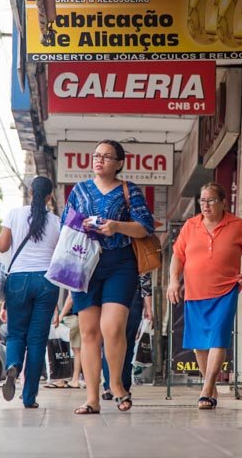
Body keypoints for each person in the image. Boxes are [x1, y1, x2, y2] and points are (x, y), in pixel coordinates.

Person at [63, 139, 155, 415]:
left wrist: (116, 226)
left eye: (106, 156)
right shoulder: (79, 190)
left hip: (120, 263)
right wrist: (85, 224)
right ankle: (91, 398)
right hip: (84, 263)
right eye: (96, 155)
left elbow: (145, 227)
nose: (99, 160)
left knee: (113, 328)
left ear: (119, 162)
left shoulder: (129, 190)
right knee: (89, 332)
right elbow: (65, 223)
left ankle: (116, 384)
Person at [167, 182, 242, 410]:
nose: (206, 205)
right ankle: (210, 389)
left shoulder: (237, 225)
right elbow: (177, 256)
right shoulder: (191, 226)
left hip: (226, 289)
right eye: (203, 201)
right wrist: (173, 280)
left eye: (211, 200)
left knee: (218, 337)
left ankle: (205, 389)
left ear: (223, 202)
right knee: (200, 344)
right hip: (195, 291)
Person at [0, 176, 61, 409]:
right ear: (49, 196)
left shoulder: (14, 214)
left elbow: (3, 246)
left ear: (31, 192)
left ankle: (13, 364)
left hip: (18, 280)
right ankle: (29, 397)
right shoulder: (56, 222)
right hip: (46, 281)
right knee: (36, 341)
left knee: (16, 334)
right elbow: (59, 256)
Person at [100, 274, 153, 400]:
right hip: (127, 293)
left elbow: (144, 277)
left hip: (128, 295)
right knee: (118, 342)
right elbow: (145, 278)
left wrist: (148, 307)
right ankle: (117, 385)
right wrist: (148, 307)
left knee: (116, 342)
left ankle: (116, 385)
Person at [45, 290, 84, 389]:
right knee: (77, 350)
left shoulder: (62, 278)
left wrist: (60, 316)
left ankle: (60, 380)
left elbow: (70, 297)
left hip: (68, 317)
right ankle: (75, 380)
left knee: (59, 346)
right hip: (78, 316)